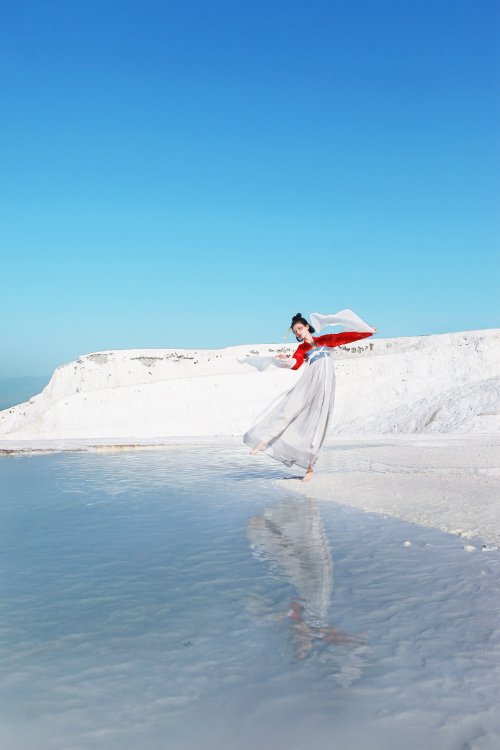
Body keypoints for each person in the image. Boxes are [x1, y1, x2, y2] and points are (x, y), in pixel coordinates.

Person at [243, 309, 376, 481]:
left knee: (317, 424)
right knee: (288, 410)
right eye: (295, 331)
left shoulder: (325, 340)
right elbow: (295, 364)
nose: (297, 332)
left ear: (307, 326)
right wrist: (283, 359)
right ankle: (263, 441)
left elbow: (348, 336)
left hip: (324, 386)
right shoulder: (302, 348)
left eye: (299, 328)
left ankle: (310, 467)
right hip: (308, 383)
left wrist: (368, 332)